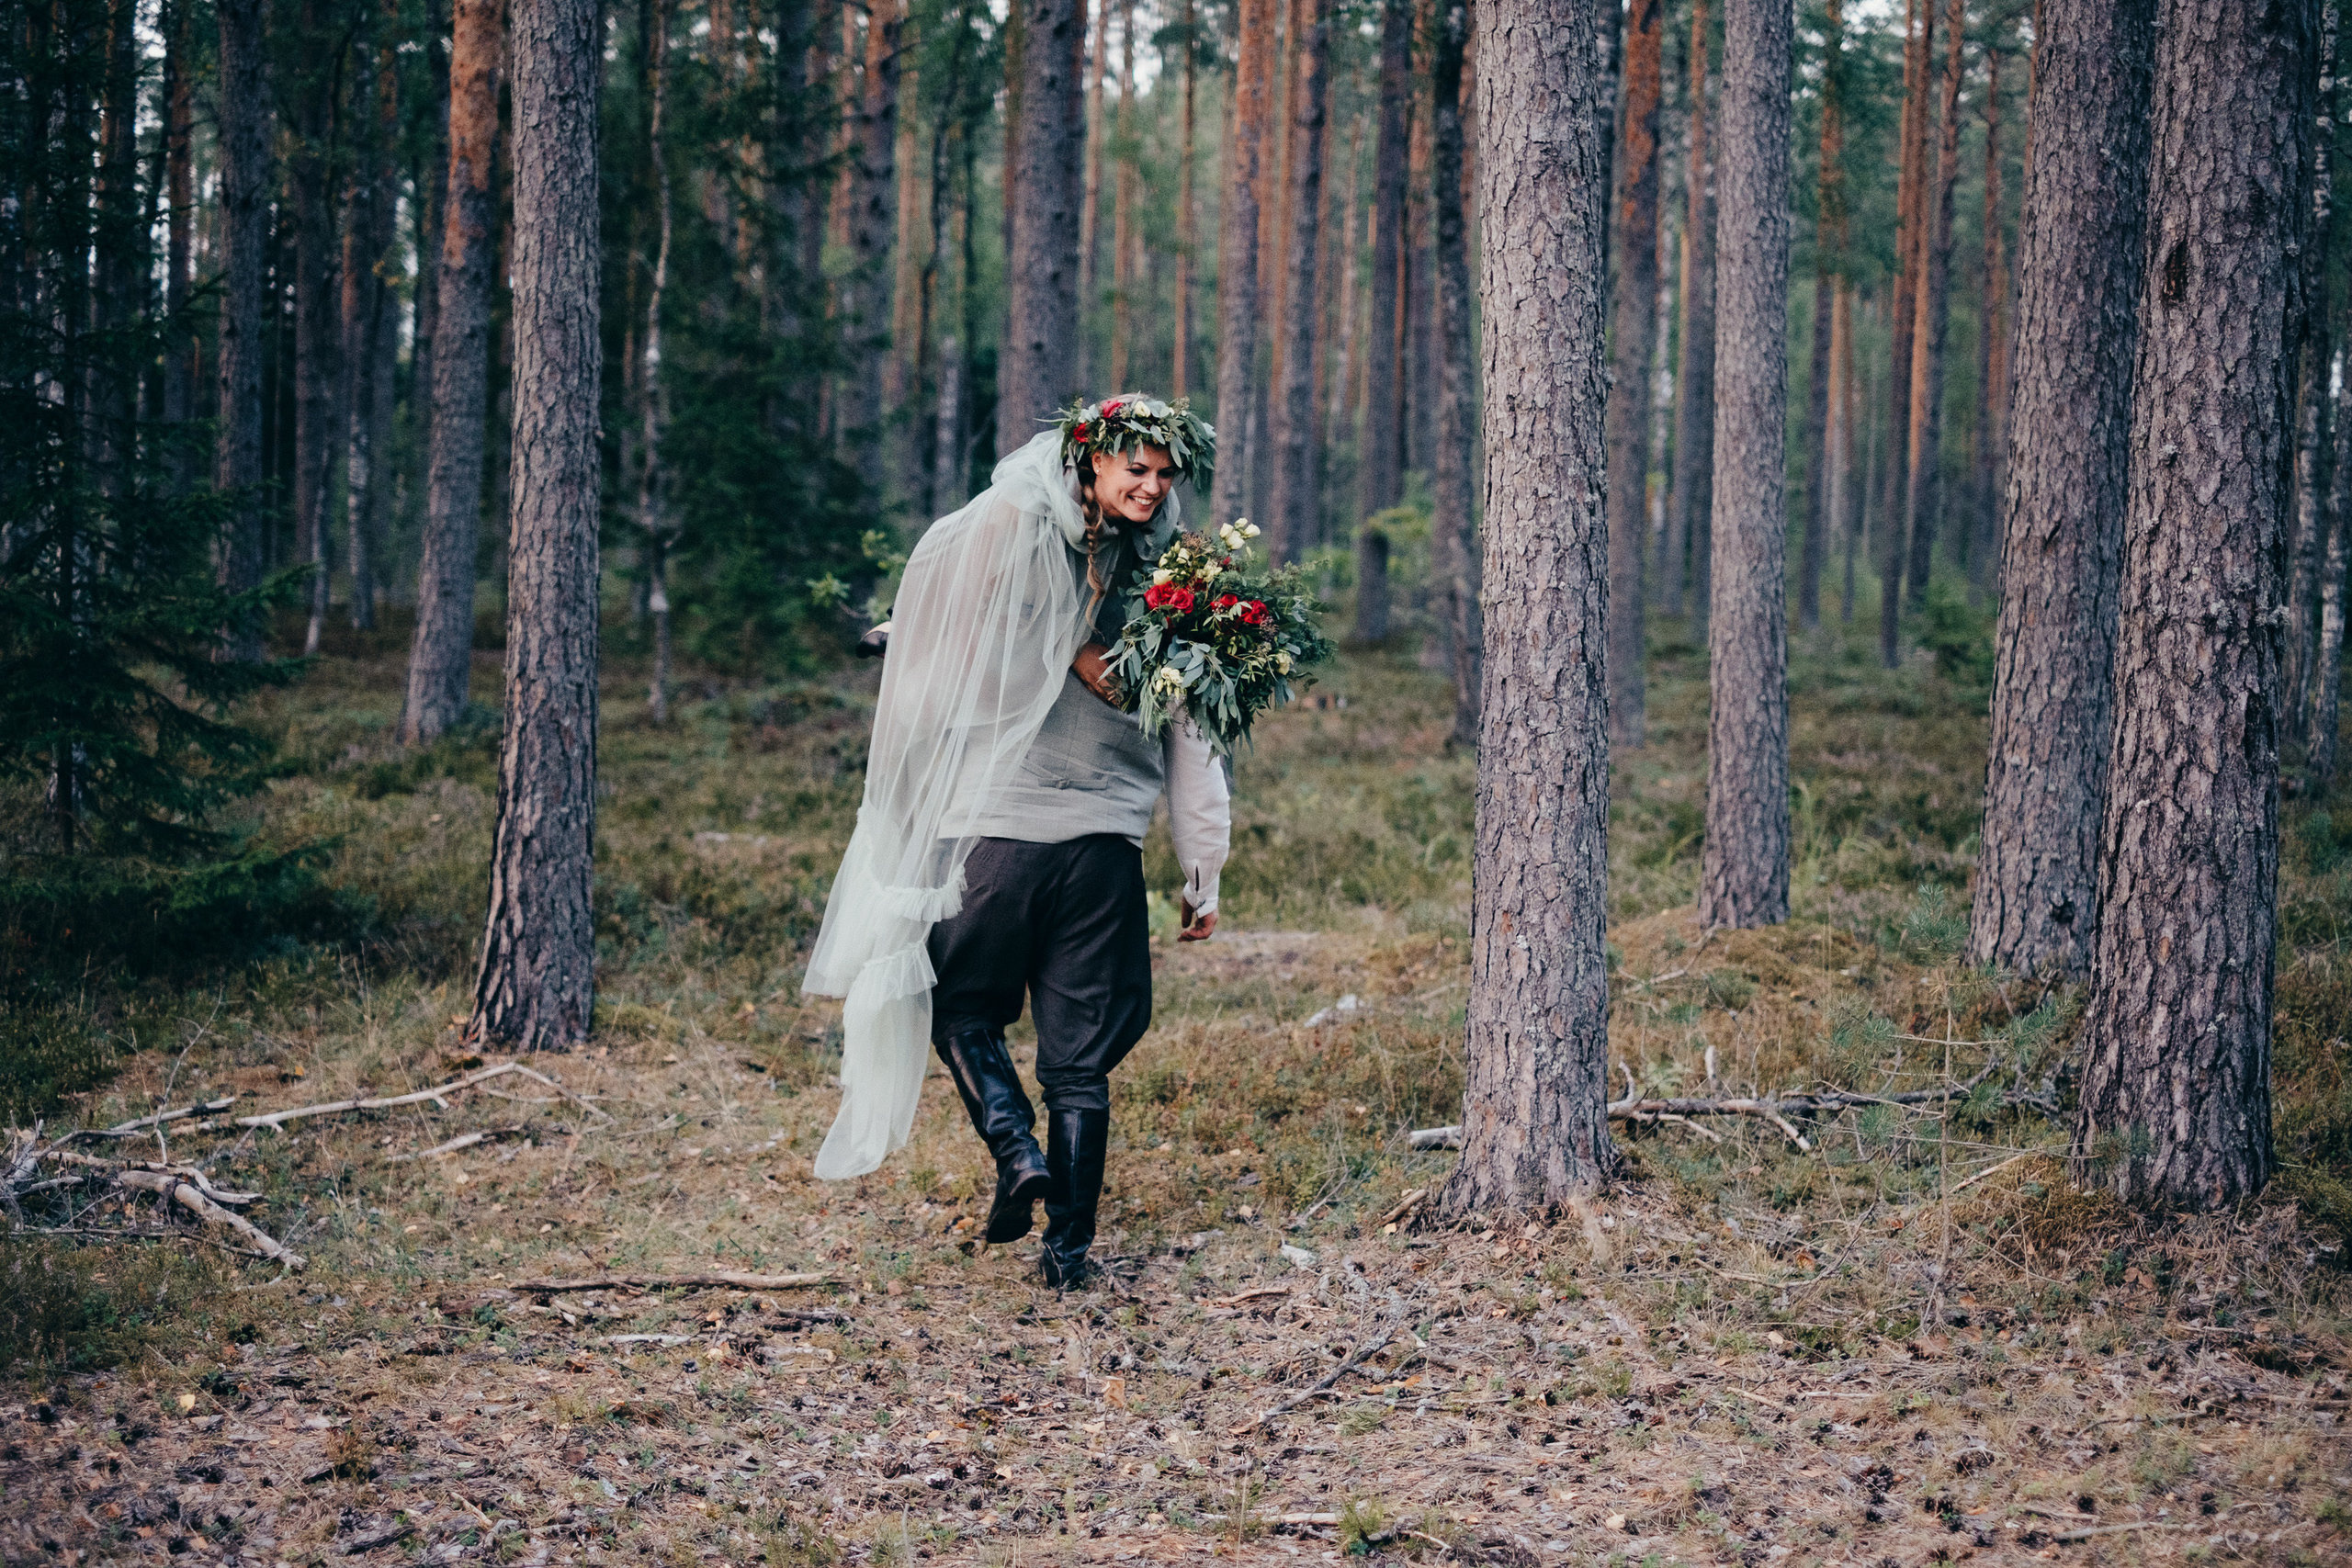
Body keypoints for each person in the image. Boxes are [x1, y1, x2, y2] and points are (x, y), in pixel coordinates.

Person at [802, 395, 1232, 1289]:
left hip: (991, 839)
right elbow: (1193, 749)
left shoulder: (1023, 568)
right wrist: (1202, 869)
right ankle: (1066, 1258)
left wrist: (901, 646)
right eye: (1136, 470)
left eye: (1163, 474)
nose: (1152, 487)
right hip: (1101, 853)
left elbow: (932, 683)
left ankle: (1015, 1152)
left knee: (962, 1010)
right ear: (1092, 463)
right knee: (1077, 1066)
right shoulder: (1162, 593)